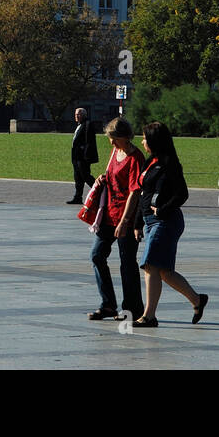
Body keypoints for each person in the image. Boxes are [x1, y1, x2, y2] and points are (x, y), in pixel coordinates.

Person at [133, 121, 206, 327]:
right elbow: (143, 194)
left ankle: (149, 316)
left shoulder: (170, 164)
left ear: (155, 140)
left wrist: (163, 208)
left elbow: (182, 194)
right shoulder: (150, 162)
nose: (142, 141)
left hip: (166, 221)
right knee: (165, 272)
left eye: (145, 138)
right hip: (149, 221)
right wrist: (137, 223)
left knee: (150, 265)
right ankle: (197, 300)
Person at [87, 117, 144, 322]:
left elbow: (134, 193)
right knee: (97, 255)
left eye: (114, 139)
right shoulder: (115, 152)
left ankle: (132, 309)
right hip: (108, 215)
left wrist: (125, 221)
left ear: (125, 137)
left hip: (125, 218)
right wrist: (101, 179)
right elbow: (112, 176)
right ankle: (108, 305)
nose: (111, 143)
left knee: (127, 263)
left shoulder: (136, 158)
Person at [66, 107, 98, 204]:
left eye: (78, 114)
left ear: (84, 115)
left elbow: (89, 141)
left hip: (83, 157)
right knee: (78, 177)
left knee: (86, 176)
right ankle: (77, 197)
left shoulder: (88, 124)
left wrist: (86, 154)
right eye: (76, 114)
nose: (76, 116)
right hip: (76, 156)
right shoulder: (79, 125)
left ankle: (100, 190)